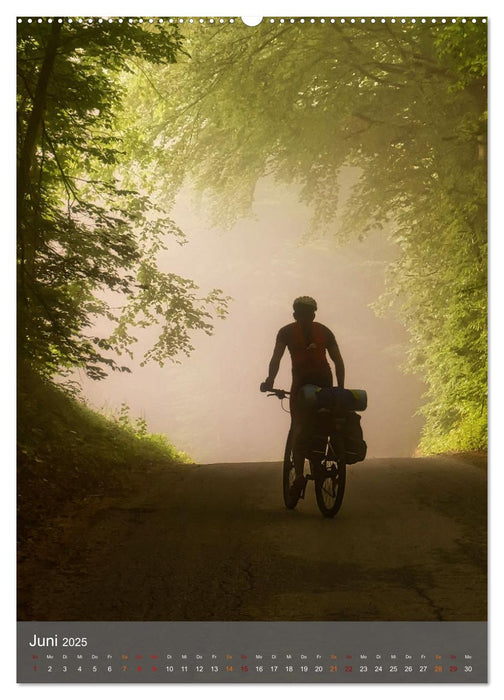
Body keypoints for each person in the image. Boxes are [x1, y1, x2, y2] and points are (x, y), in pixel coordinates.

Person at [261, 296, 345, 498]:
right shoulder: (325, 331)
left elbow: (276, 359)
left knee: (299, 425)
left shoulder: (286, 332)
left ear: (294, 314)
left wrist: (270, 381)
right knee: (325, 420)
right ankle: (323, 458)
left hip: (301, 383)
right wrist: (340, 389)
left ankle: (299, 475)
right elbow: (338, 362)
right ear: (314, 313)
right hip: (325, 382)